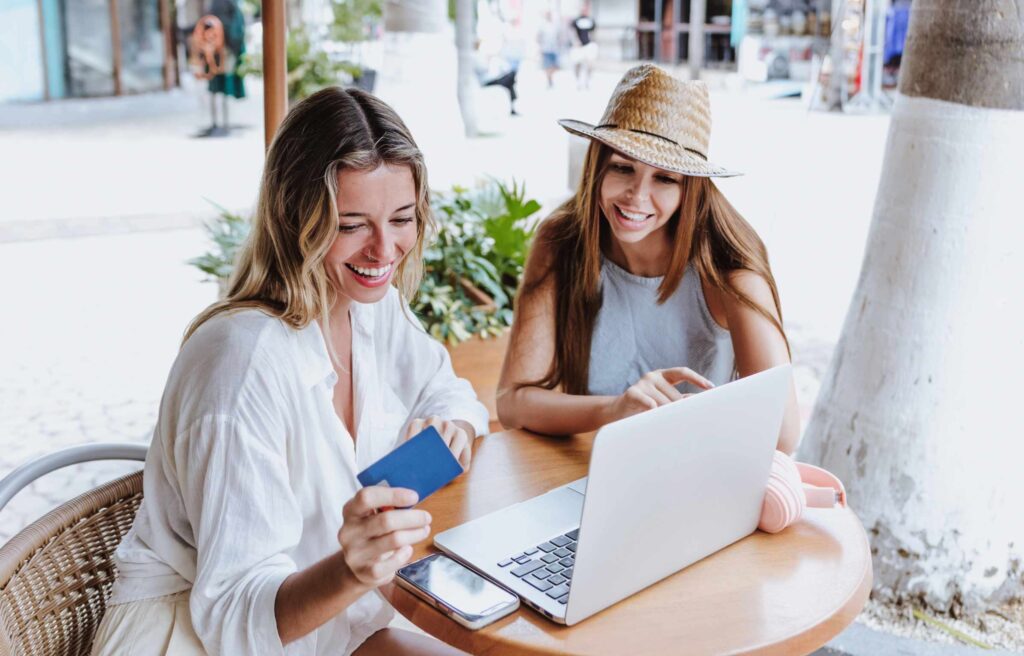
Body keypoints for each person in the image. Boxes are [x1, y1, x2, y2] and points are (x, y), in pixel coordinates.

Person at [91, 87, 488, 655]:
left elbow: (452, 392)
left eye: (401, 218)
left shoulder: (372, 308)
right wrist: (352, 571)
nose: (384, 250)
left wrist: (455, 425)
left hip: (334, 630)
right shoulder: (241, 363)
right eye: (352, 224)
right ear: (293, 217)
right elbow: (233, 618)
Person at [496, 64, 800, 454]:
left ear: (690, 189)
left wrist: (667, 419)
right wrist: (616, 409)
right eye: (623, 168)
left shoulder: (728, 264)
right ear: (596, 168)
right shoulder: (562, 240)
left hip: (701, 470)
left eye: (665, 178)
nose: (637, 197)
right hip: (595, 465)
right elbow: (512, 402)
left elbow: (784, 433)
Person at [569, 1, 597, 90]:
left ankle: (587, 81)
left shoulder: (591, 20)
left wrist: (593, 41)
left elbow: (593, 31)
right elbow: (572, 31)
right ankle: (578, 81)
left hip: (588, 45)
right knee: (577, 64)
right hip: (578, 46)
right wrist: (575, 41)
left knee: (590, 65)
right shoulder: (576, 20)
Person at [537, 11, 561, 88]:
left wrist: (559, 44)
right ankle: (549, 80)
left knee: (554, 66)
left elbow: (559, 36)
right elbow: (538, 37)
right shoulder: (542, 26)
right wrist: (540, 47)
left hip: (554, 49)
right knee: (547, 65)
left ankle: (550, 76)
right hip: (545, 49)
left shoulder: (555, 25)